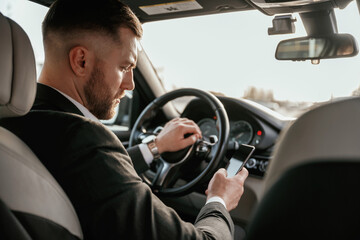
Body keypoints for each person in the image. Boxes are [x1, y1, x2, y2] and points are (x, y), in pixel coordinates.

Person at [1, 0, 249, 239]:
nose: (130, 84)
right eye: (124, 67)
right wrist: (219, 201)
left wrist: (156, 146)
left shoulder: (21, 120)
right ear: (81, 61)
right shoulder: (82, 137)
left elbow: (95, 175)